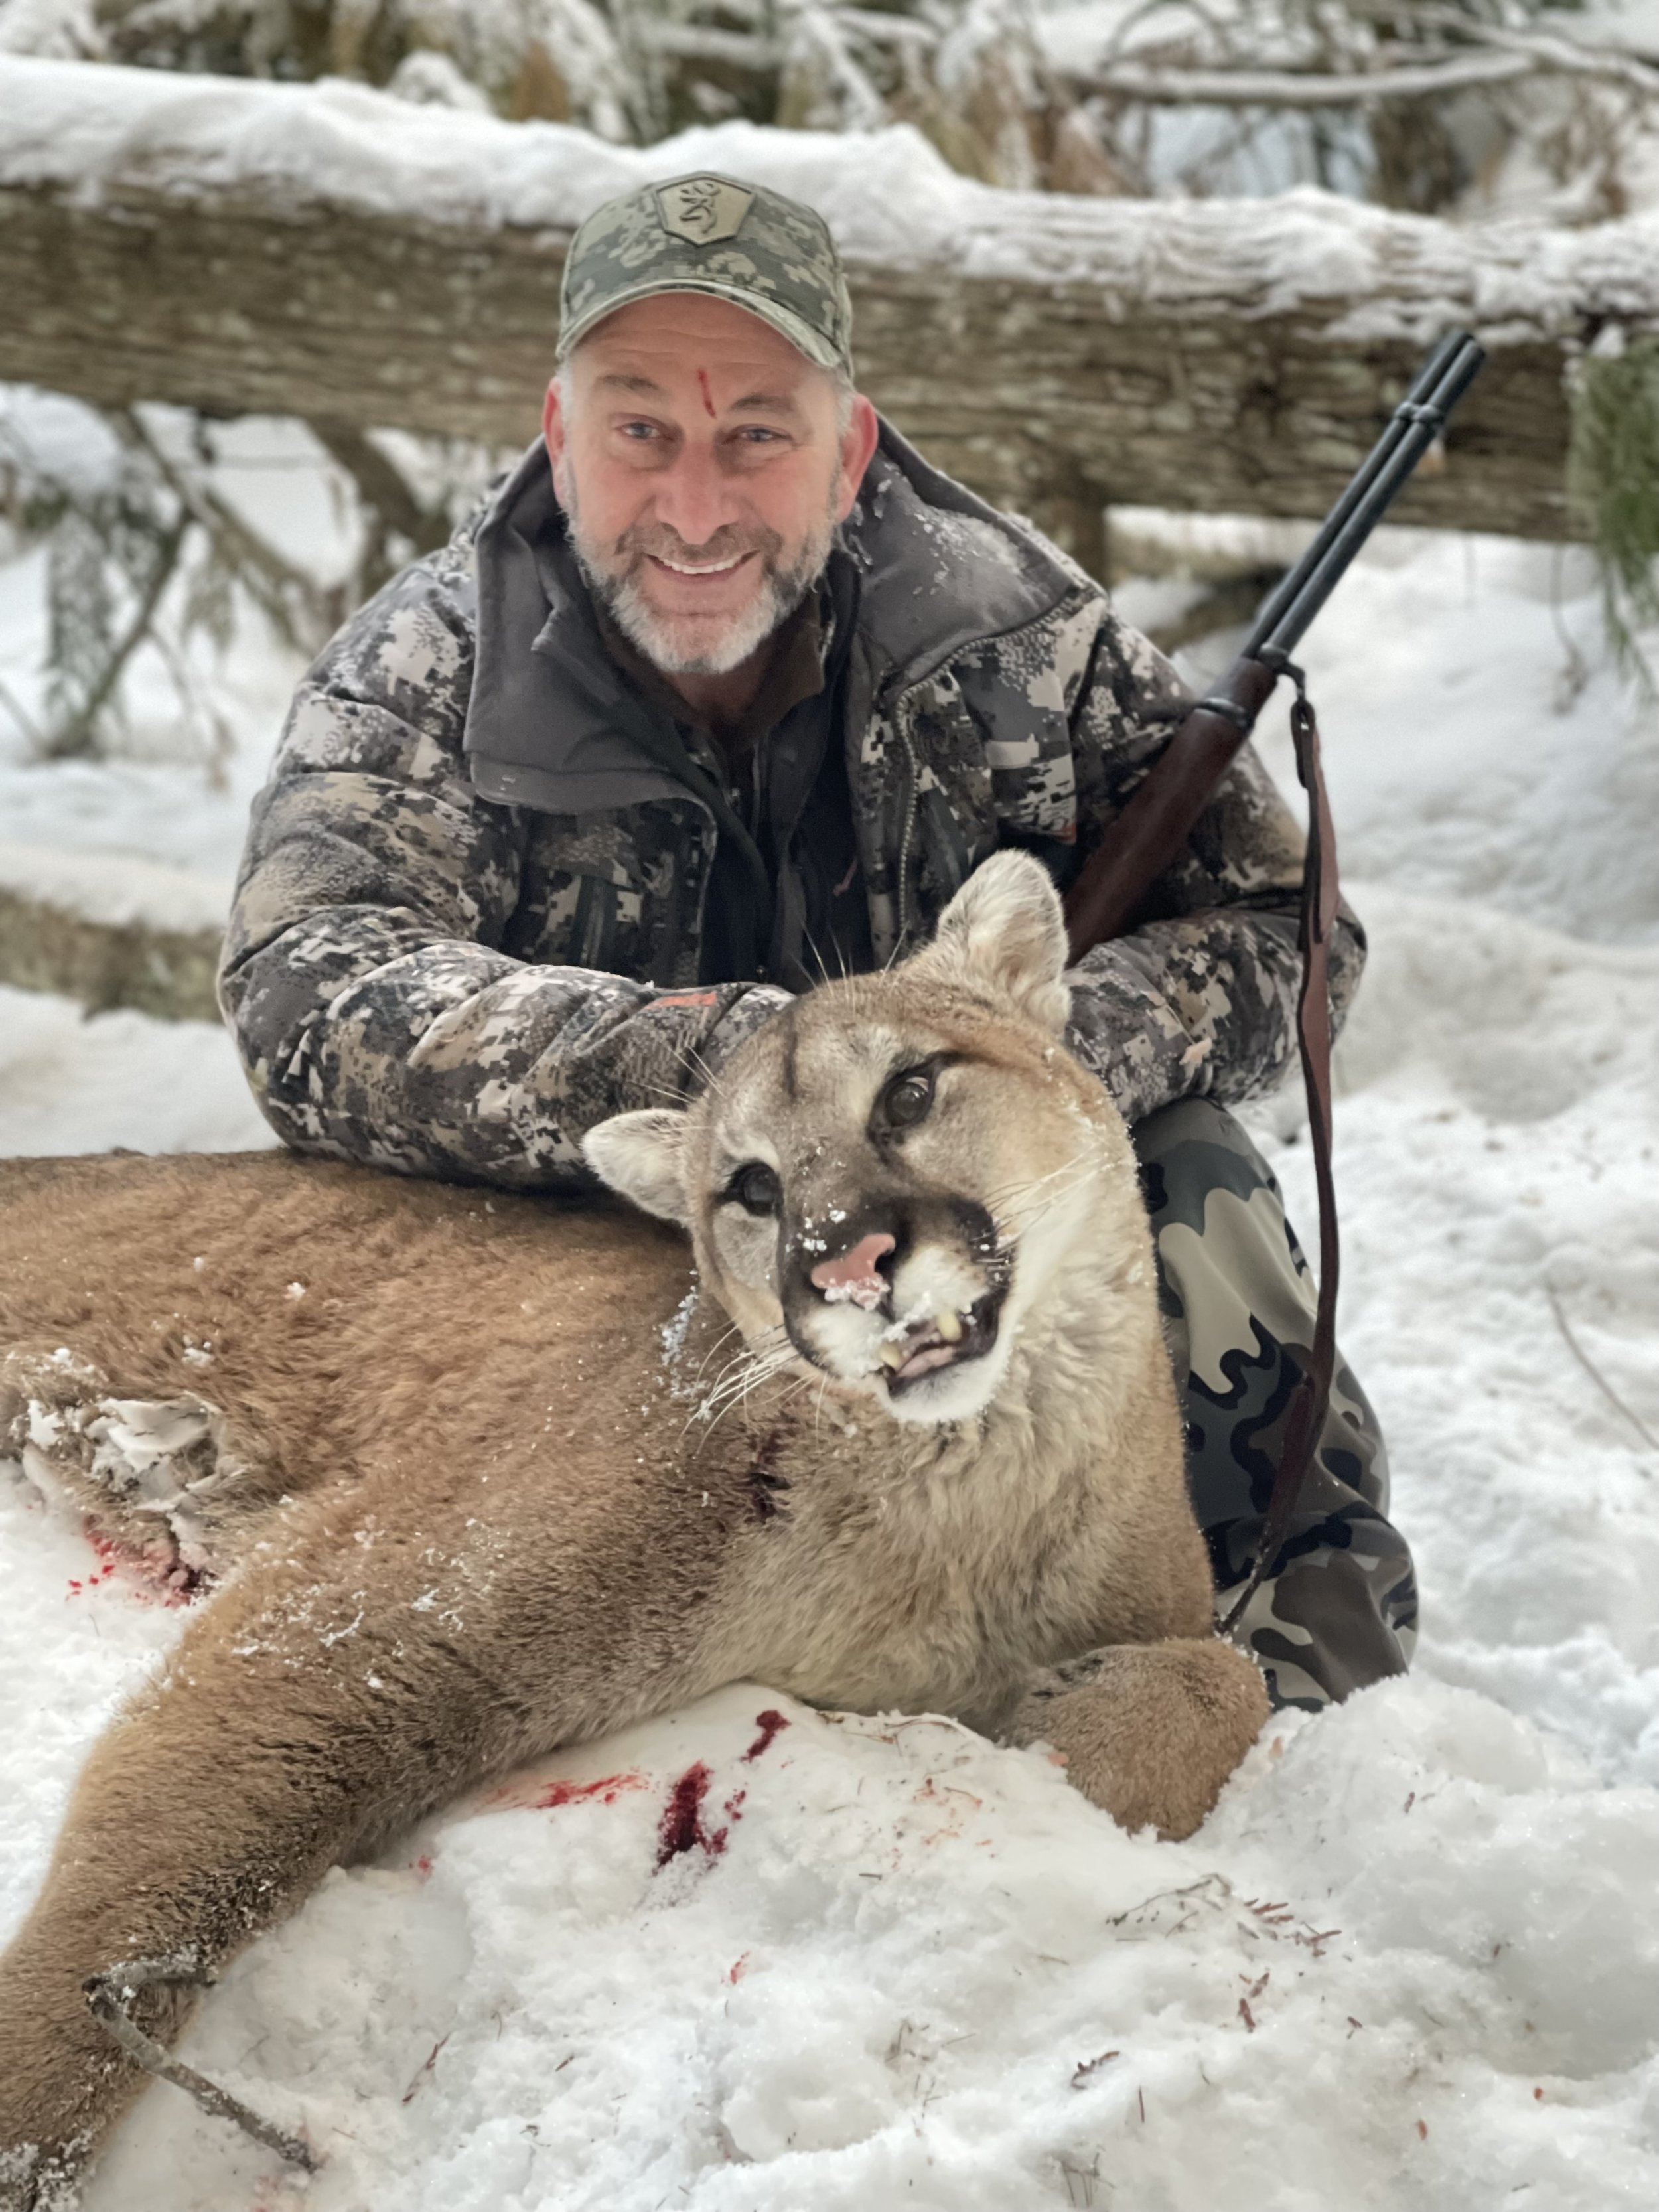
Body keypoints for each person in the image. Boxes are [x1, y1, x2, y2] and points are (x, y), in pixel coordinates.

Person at [220, 171, 1415, 1710]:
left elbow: (1291, 933)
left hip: (960, 1227)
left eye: (757, 434)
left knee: (1182, 1167)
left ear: (848, 447)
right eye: (638, 428)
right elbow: (307, 991)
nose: (696, 504)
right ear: (558, 433)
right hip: (627, 1232)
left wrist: (1042, 1052)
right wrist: (725, 1079)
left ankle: (1297, 1651)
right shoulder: (425, 663)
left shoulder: (1013, 631)